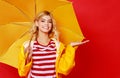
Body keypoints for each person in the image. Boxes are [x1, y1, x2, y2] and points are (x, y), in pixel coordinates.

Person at [18, 11, 89, 78]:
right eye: (43, 21)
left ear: (52, 25)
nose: (46, 24)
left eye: (49, 22)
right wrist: (28, 59)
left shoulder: (57, 45)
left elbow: (64, 69)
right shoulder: (27, 46)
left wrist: (70, 47)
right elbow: (22, 73)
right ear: (36, 23)